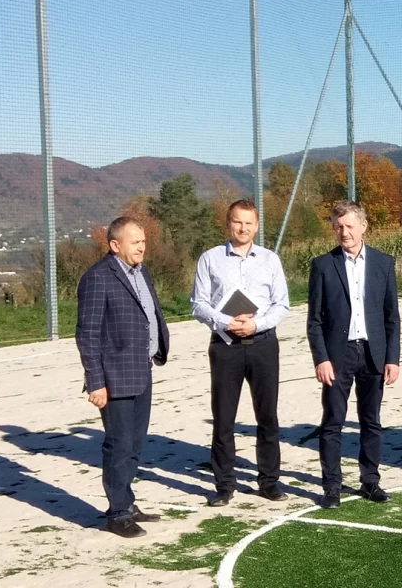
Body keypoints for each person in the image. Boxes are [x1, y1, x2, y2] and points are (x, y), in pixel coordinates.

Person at [191, 199, 290, 507]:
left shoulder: (270, 260)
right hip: (225, 345)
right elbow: (198, 304)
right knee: (223, 417)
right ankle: (224, 484)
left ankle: (269, 481)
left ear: (257, 226)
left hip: (263, 344)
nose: (243, 228)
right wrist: (226, 322)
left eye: (248, 223)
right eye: (237, 222)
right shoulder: (210, 259)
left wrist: (256, 324)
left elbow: (282, 304)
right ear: (228, 223)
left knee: (267, 416)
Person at [76, 217, 170, 538]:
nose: (142, 247)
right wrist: (96, 381)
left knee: (135, 443)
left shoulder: (141, 272)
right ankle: (117, 514)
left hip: (142, 368)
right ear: (115, 245)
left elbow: (149, 315)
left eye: (143, 241)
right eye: (135, 242)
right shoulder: (98, 278)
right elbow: (87, 334)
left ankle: (126, 503)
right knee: (119, 444)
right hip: (114, 376)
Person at [307, 200, 401, 510]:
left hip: (373, 353)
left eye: (349, 226)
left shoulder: (383, 263)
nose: (344, 232)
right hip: (338, 356)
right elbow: (314, 320)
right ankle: (332, 486)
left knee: (371, 421)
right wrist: (321, 358)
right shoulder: (323, 265)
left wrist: (392, 358)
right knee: (333, 421)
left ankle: (370, 481)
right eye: (338, 226)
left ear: (363, 226)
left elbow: (391, 317)